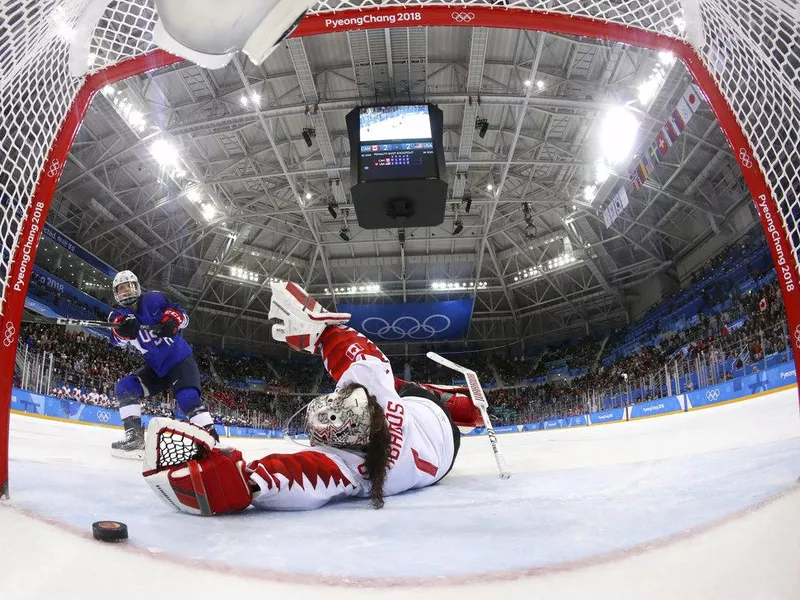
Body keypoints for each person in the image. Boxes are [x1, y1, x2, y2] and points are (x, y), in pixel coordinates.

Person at [142, 281, 482, 514]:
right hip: (426, 413)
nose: (332, 405)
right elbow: (366, 364)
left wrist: (240, 482)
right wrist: (324, 333)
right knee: (401, 387)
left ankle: (451, 405)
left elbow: (296, 475)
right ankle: (451, 403)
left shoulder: (353, 470)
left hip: (436, 448)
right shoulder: (375, 413)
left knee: (397, 386)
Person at [108, 270, 215, 459]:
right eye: (121, 289)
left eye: (129, 287)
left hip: (180, 361)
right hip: (156, 370)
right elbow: (116, 340)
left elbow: (183, 316)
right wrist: (123, 330)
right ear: (116, 294)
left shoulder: (155, 299)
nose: (125, 292)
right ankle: (134, 438)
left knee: (187, 399)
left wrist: (174, 319)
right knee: (124, 387)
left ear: (137, 288)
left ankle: (211, 442)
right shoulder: (117, 316)